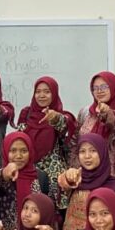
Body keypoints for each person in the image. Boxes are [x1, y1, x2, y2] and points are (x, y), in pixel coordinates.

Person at [17, 76, 76, 212]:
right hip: (30, 172)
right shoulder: (26, 114)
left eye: (47, 92)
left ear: (54, 93)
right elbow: (20, 139)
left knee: (53, 215)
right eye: (38, 92)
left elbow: (64, 125)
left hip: (54, 177)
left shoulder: (62, 115)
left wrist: (54, 118)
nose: (42, 95)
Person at [58, 133, 115, 230]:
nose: (87, 156)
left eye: (93, 150)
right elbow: (62, 185)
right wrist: (68, 176)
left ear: (102, 153)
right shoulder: (76, 179)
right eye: (82, 151)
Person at [71, 71, 115, 184]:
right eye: (95, 88)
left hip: (112, 174)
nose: (99, 91)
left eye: (104, 87)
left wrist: (107, 113)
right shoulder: (85, 112)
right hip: (86, 171)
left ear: (114, 87)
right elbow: (75, 140)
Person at [0, 131, 49, 230]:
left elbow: (47, 208)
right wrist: (4, 174)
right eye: (13, 151)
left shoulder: (40, 177)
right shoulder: (1, 176)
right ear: (5, 152)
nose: (18, 156)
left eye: (24, 151)